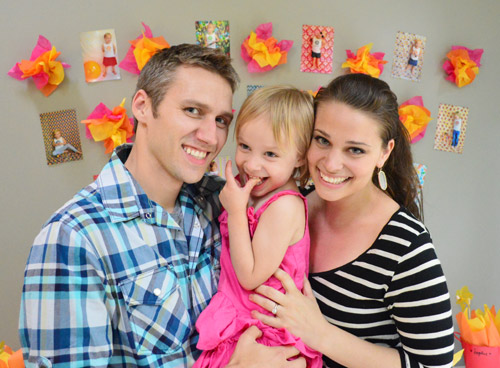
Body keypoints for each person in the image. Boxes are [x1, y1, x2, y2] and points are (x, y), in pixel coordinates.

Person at [20, 44, 305, 368]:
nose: (211, 137)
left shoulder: (219, 200)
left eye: (222, 119)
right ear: (142, 106)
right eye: (193, 111)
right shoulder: (74, 238)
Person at [250, 74, 455, 368]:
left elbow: (435, 366)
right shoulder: (292, 204)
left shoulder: (406, 247)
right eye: (322, 140)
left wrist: (322, 335)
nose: (331, 164)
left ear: (384, 153)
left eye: (355, 149)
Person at [193, 87, 322, 368]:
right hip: (241, 320)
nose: (252, 164)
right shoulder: (254, 192)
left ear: (300, 157)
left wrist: (237, 212)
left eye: (271, 154)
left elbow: (250, 277)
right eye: (244, 147)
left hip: (265, 334)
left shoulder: (284, 207)